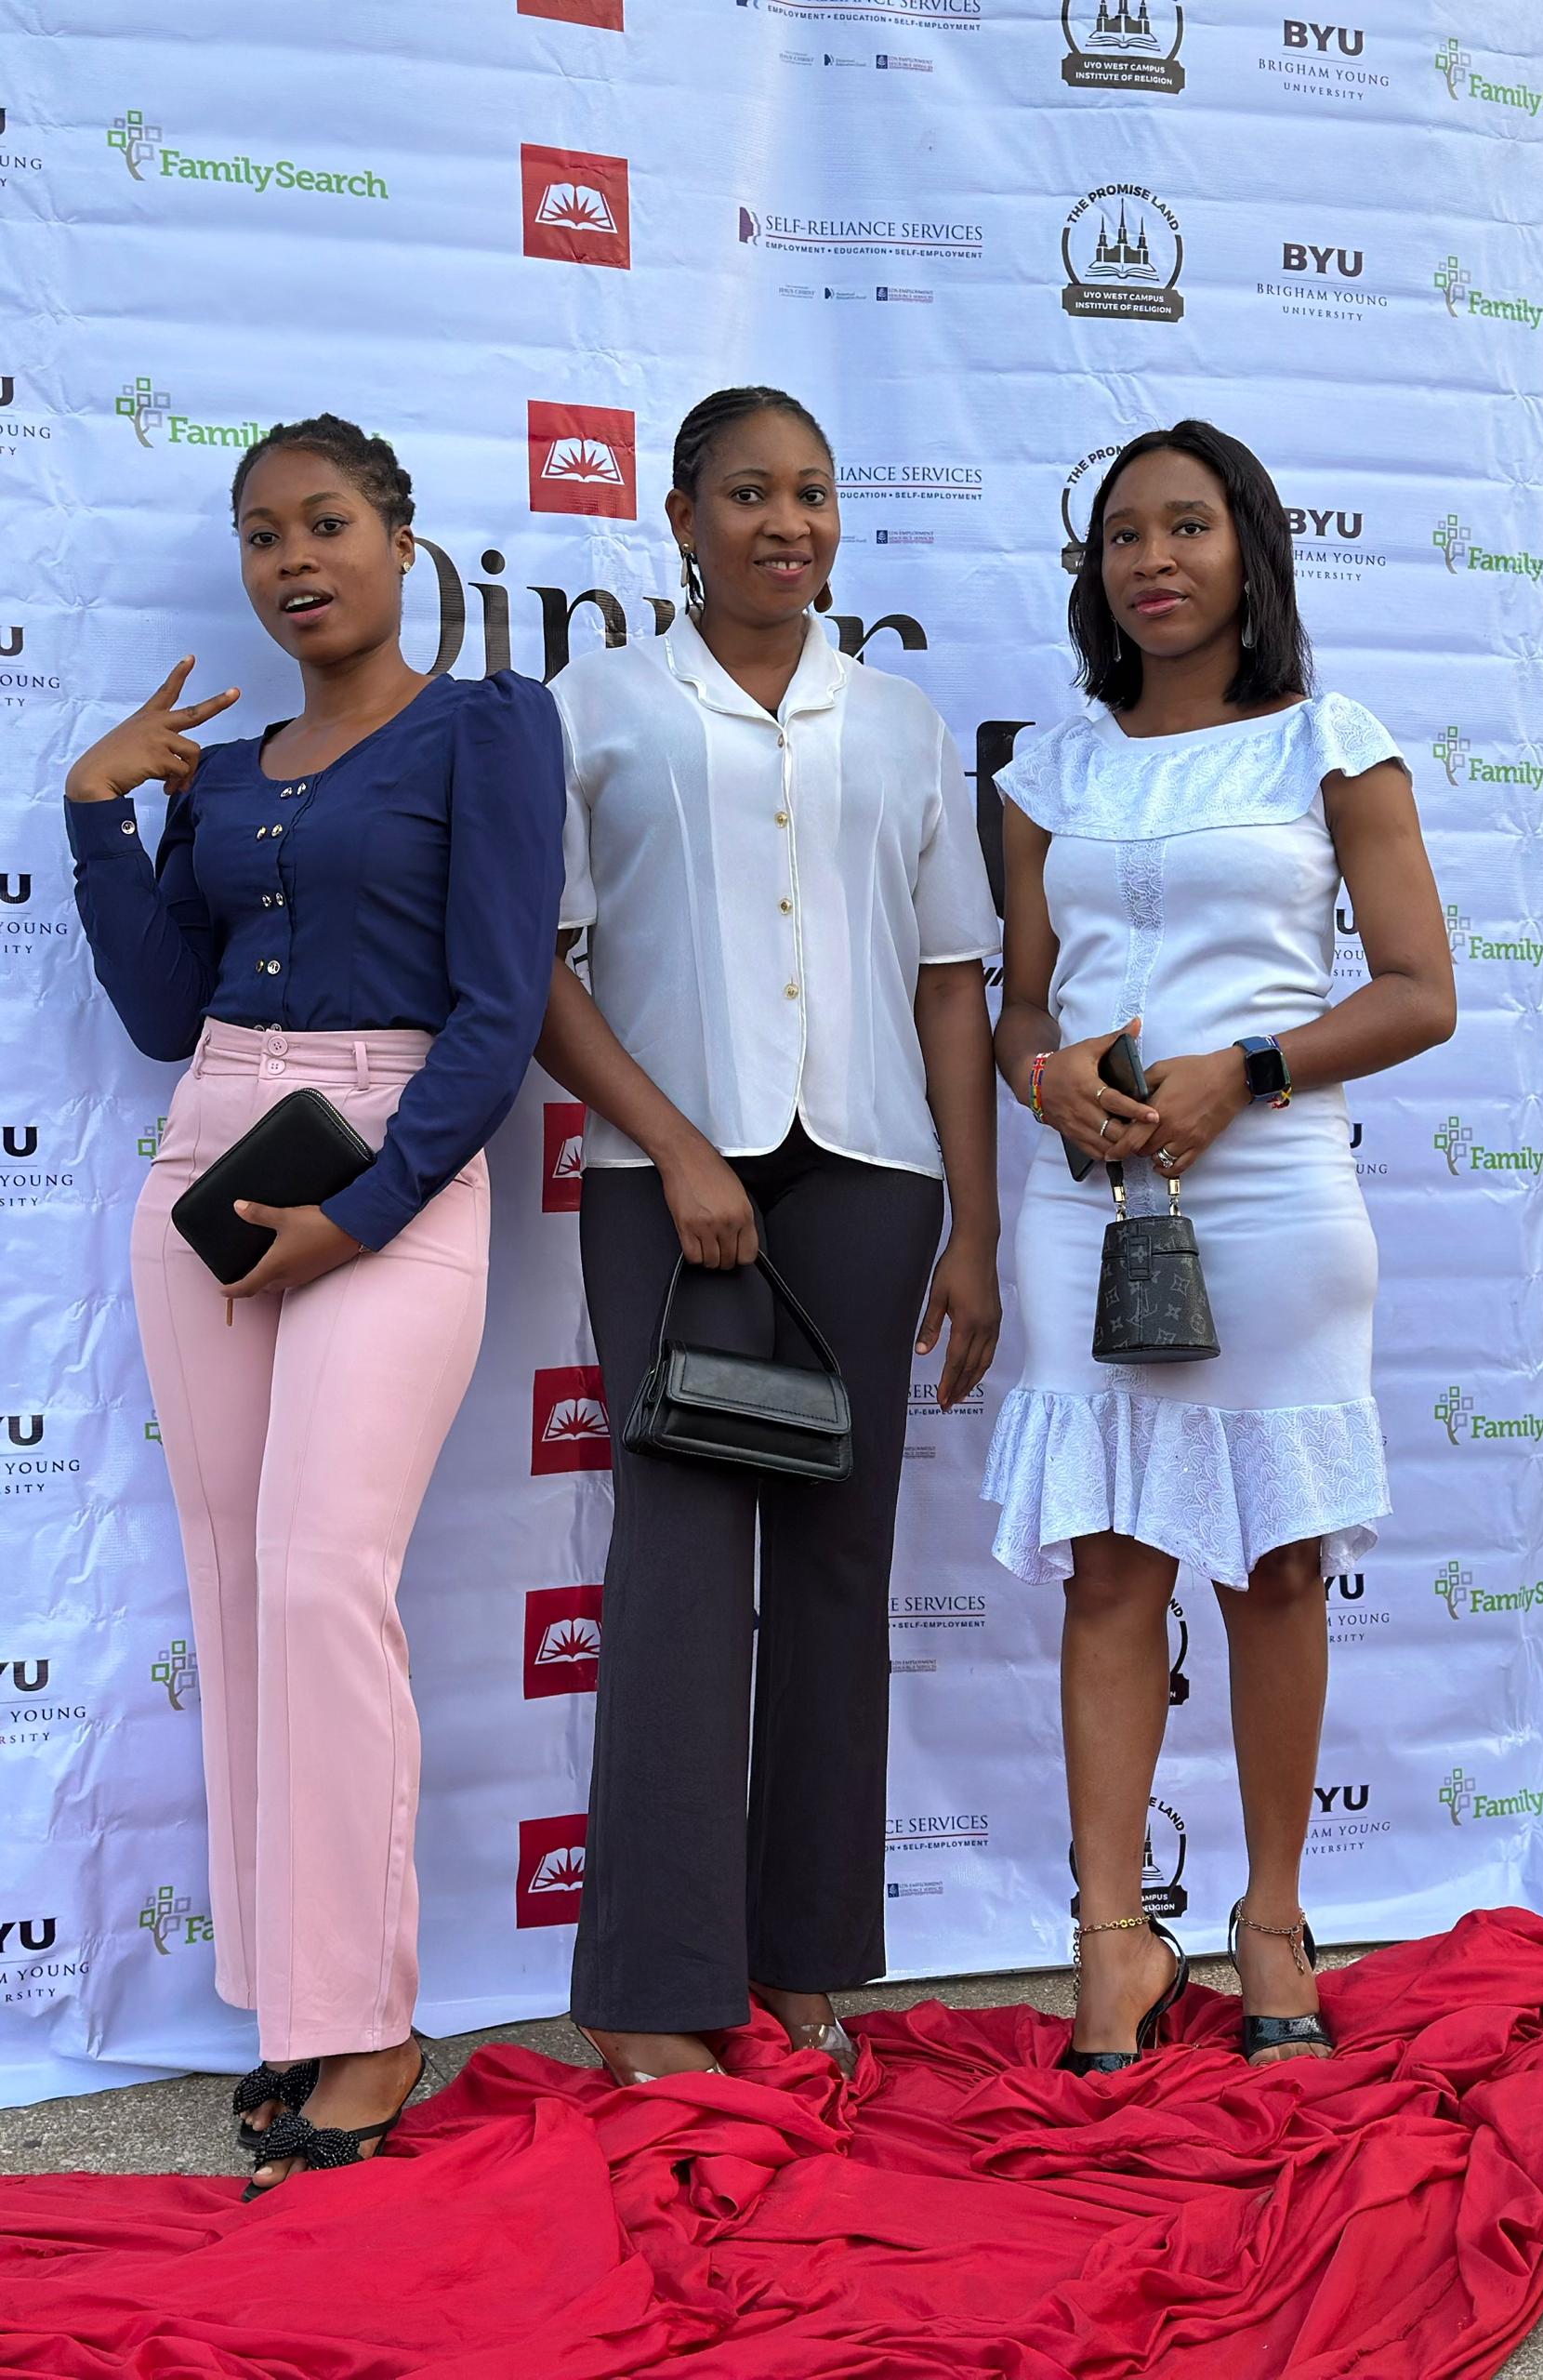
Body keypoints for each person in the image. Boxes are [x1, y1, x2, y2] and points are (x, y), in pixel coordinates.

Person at [63, 416, 565, 2190]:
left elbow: (500, 1010)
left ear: (401, 540)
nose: (295, 559)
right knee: (237, 1591)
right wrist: (97, 812)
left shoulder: (487, 728)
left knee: (317, 1577)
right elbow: (160, 1013)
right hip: (209, 1154)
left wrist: (357, 1212)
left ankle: (374, 2020)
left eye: (328, 522)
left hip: (390, 1156)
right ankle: (293, 1994)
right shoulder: (224, 773)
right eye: (263, 532)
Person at [535, 385, 1002, 2087]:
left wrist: (973, 1226)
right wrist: (673, 1146)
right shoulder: (594, 706)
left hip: (871, 1176)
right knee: (674, 1567)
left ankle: (802, 1963)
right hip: (669, 1185)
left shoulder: (900, 721)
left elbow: (948, 985)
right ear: (680, 518)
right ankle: (648, 1988)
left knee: (837, 1567)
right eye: (747, 493)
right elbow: (540, 968)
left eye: (811, 492)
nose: (785, 523)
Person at [983, 419, 1455, 2070]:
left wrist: (1244, 1071)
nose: (1154, 560)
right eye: (1124, 534)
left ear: (1251, 547)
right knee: (1111, 1566)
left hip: (1271, 1193)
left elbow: (1420, 991)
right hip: (1088, 1199)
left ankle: (1270, 1921)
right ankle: (1111, 1939)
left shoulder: (1332, 744)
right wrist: (1044, 1078)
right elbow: (1020, 1000)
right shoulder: (1050, 771)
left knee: (1273, 1567)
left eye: (1187, 526)